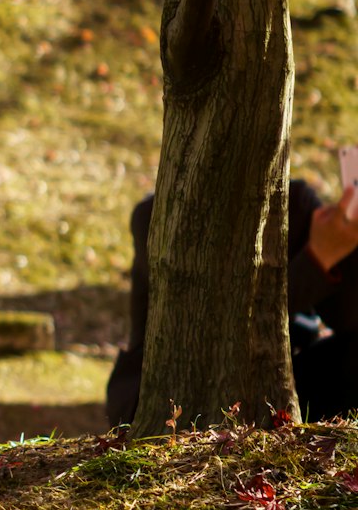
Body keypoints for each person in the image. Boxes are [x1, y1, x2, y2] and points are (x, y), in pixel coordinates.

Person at [107, 179, 358, 425]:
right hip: (170, 398)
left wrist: (344, 249)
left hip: (269, 392)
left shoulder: (295, 203)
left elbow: (345, 318)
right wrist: (317, 259)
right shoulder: (160, 218)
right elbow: (219, 326)